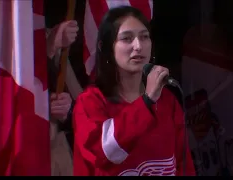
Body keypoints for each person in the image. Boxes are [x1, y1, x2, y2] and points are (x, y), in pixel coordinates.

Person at [73, 6, 196, 176]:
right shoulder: (90, 102)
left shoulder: (167, 100)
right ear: (106, 47)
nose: (138, 46)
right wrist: (147, 101)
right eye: (127, 38)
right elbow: (104, 154)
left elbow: (184, 166)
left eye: (144, 37)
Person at [46, 19, 80, 176]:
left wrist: (68, 110)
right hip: (21, 151)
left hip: (60, 154)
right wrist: (50, 48)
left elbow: (80, 102)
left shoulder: (47, 33)